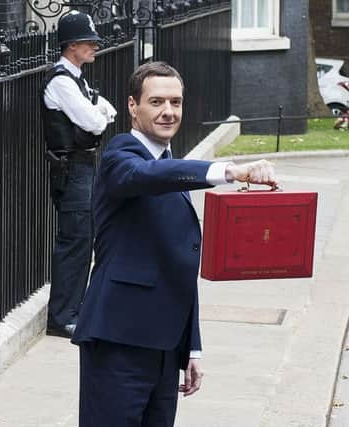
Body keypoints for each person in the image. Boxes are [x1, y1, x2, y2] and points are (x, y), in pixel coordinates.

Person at [71, 61, 277, 426]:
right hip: (119, 341)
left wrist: (191, 346)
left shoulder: (169, 167)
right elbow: (146, 176)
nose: (168, 112)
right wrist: (228, 171)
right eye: (156, 102)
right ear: (133, 106)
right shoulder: (122, 157)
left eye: (176, 102)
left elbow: (179, 265)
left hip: (165, 348)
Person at [41, 10, 117, 338]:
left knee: (84, 239)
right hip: (71, 169)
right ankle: (61, 317)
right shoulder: (61, 82)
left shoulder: (77, 79)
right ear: (72, 46)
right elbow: (96, 121)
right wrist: (96, 113)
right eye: (90, 42)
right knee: (74, 242)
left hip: (83, 167)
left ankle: (74, 309)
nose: (95, 47)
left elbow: (108, 109)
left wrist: (97, 112)